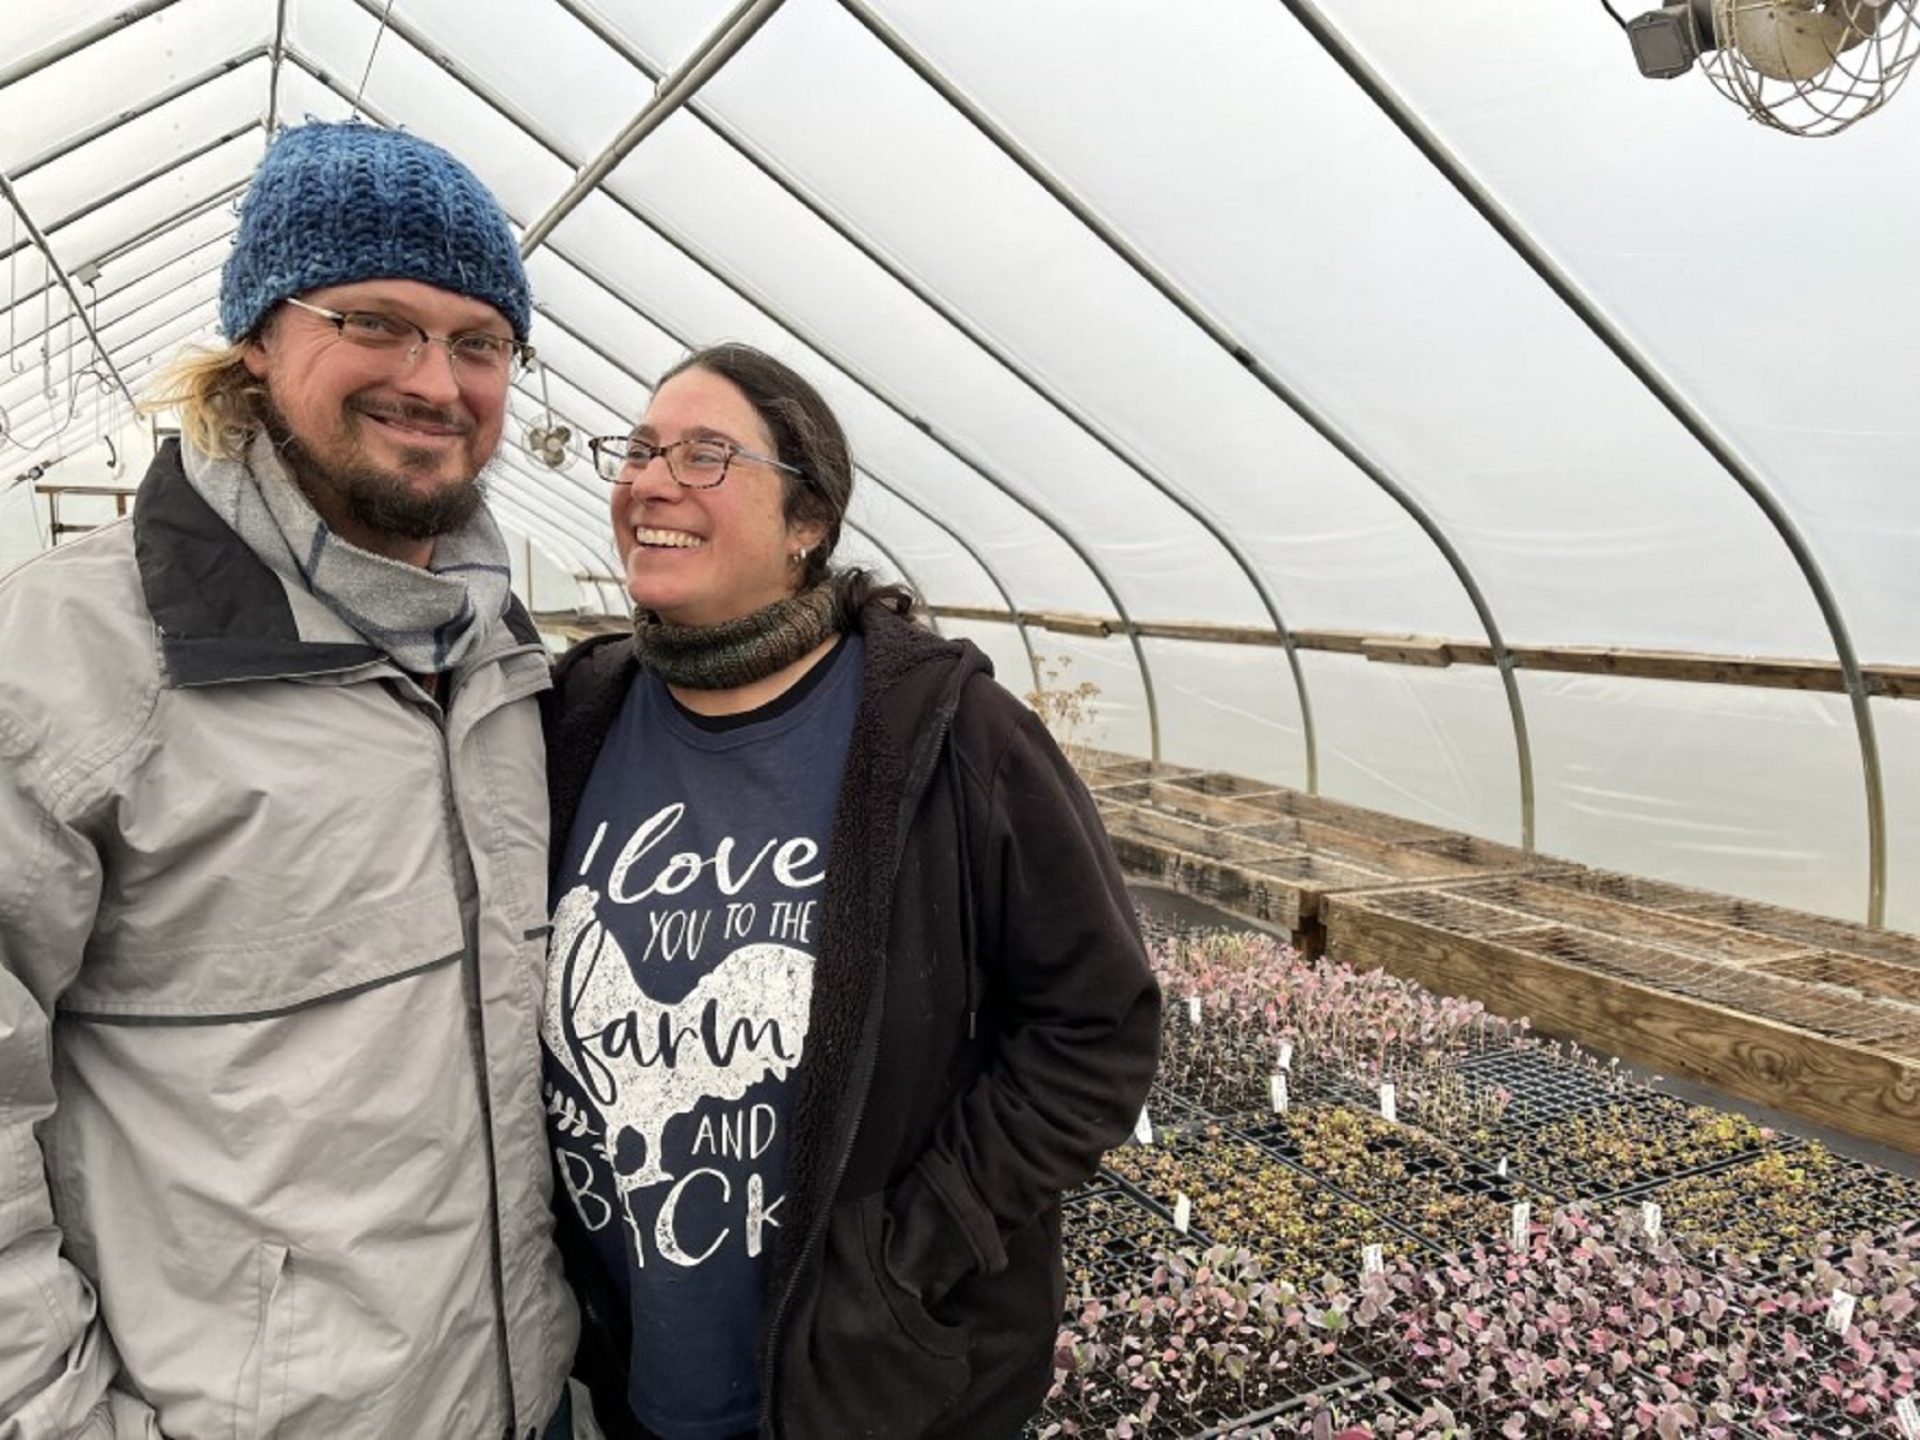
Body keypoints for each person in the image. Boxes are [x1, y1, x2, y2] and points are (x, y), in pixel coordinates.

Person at [0, 122, 577, 1438]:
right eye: (376, 321)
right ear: (258, 336)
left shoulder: (502, 661)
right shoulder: (76, 654)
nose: (437, 380)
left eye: (481, 342)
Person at [541, 342, 1161, 1440]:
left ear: (807, 522)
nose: (650, 482)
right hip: (624, 1366)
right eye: (638, 451)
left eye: (706, 455)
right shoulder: (576, 717)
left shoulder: (945, 734)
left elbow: (1097, 1026)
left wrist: (910, 1254)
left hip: (863, 1382)